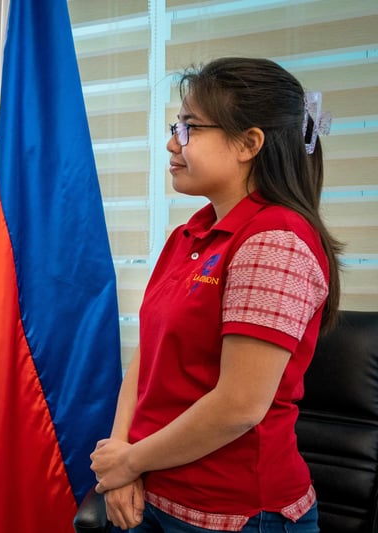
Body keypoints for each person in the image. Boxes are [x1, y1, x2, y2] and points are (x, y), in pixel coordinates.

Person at [90, 57, 341, 532]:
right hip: (152, 488)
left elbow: (239, 406)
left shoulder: (275, 240)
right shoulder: (193, 233)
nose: (172, 143)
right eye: (175, 126)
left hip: (235, 514)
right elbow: (149, 353)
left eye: (189, 128)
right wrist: (122, 457)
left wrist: (129, 461)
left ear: (249, 143)